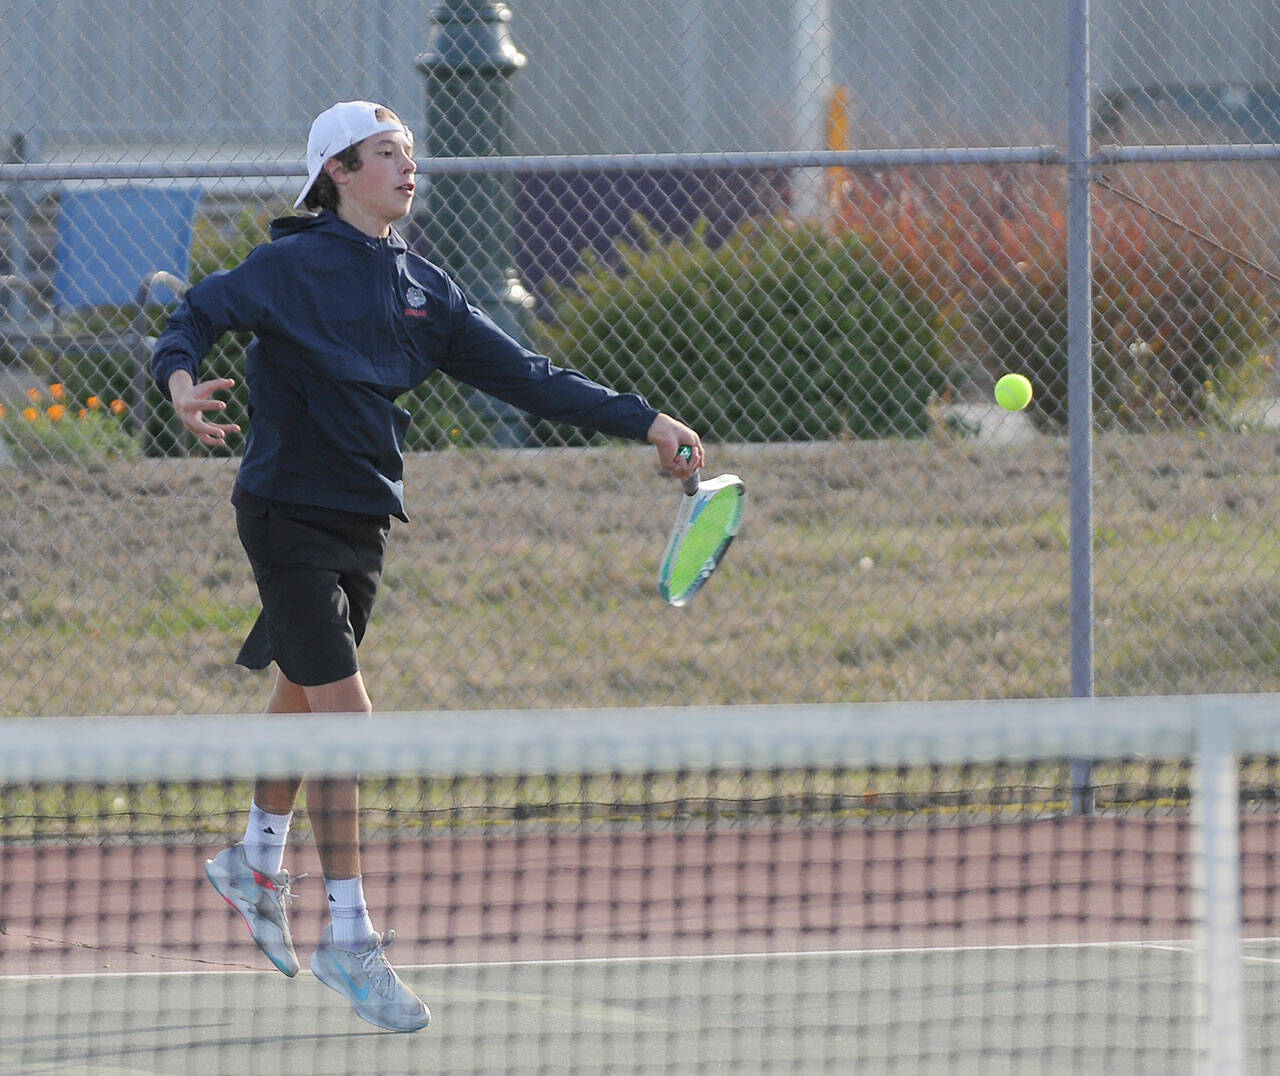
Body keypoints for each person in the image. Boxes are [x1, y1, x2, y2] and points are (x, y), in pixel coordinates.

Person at [152, 100, 704, 1033]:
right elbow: (193, 316)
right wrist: (179, 386)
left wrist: (645, 420)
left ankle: (253, 856)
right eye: (385, 155)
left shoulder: (425, 289)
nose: (408, 168)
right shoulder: (288, 267)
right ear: (338, 171)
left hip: (365, 518)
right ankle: (351, 936)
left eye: (410, 153)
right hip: (284, 510)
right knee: (349, 720)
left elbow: (528, 375)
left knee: (303, 688)